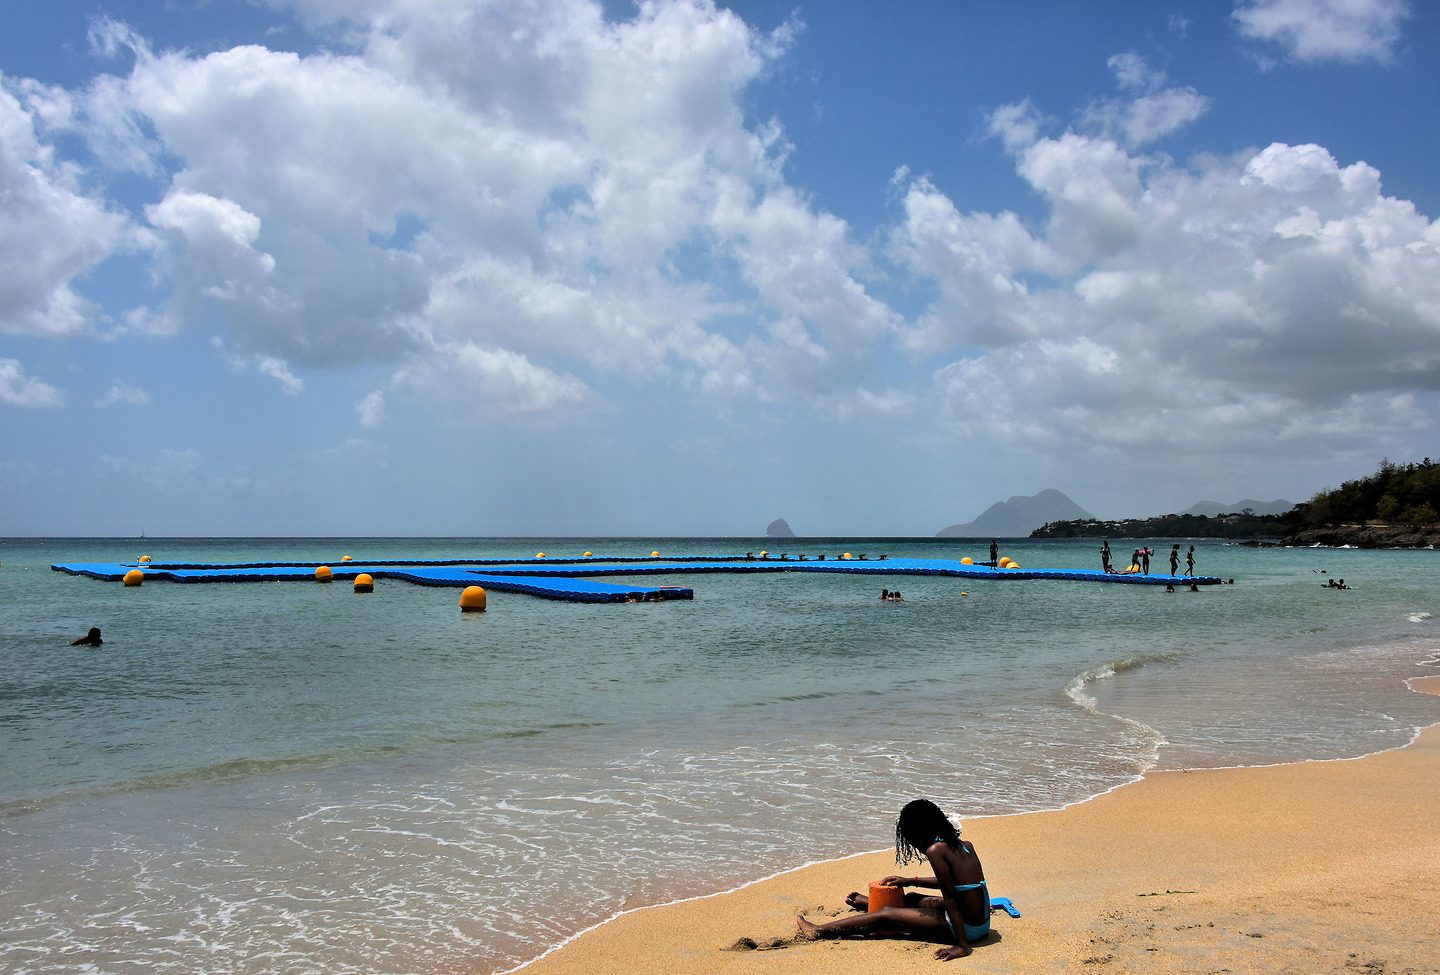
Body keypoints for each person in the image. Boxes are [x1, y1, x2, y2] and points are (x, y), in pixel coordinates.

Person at [796, 798, 990, 960]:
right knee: (913, 897)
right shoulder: (965, 845)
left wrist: (962, 946)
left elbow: (950, 898)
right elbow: (954, 883)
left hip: (965, 929)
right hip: (982, 923)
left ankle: (819, 931)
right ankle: (870, 904)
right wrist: (908, 881)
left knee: (887, 915)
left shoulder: (935, 851)